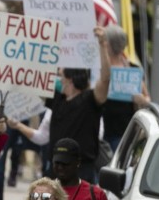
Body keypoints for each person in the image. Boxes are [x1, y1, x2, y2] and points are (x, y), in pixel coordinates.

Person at [46, 27, 113, 182]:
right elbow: (34, 83)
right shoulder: (58, 99)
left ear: (71, 78)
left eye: (61, 75)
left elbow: (105, 78)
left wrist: (102, 44)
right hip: (56, 170)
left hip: (80, 172)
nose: (59, 79)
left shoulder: (90, 100)